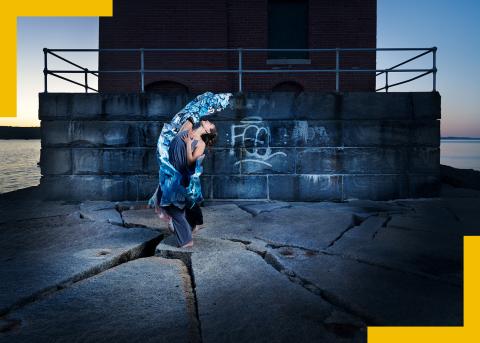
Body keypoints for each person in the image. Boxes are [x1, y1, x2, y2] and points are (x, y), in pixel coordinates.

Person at [161, 118, 217, 248]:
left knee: (172, 206)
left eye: (210, 123)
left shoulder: (201, 143)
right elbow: (178, 133)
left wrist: (188, 143)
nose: (208, 121)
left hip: (182, 176)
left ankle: (186, 240)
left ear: (208, 129)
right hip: (171, 171)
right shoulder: (189, 129)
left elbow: (191, 161)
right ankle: (191, 225)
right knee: (180, 204)